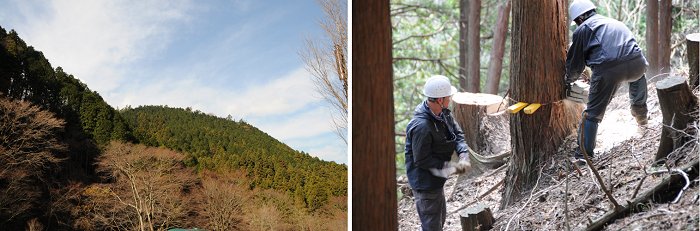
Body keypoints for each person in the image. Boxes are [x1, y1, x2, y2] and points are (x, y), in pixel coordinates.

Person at [565, 0, 649, 162]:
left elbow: (575, 64)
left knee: (592, 114)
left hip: (609, 70)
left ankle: (584, 155)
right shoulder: (614, 22)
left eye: (576, 21)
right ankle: (642, 119)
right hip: (637, 63)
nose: (576, 24)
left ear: (580, 18)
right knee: (638, 78)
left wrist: (568, 80)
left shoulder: (583, 29)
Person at [404, 75, 471, 231]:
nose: (450, 100)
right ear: (440, 99)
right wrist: (451, 168)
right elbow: (421, 159)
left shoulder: (444, 114)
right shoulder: (421, 127)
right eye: (448, 97)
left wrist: (463, 154)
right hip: (425, 184)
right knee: (432, 227)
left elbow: (457, 134)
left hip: (436, 181)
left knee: (439, 220)